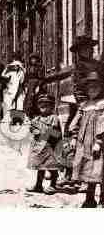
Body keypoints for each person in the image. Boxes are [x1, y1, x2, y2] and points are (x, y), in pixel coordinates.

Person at [68, 71, 104, 208]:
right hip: (84, 143)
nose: (92, 90)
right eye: (90, 88)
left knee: (99, 169)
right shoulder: (84, 106)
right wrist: (74, 138)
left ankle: (102, 198)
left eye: (96, 87)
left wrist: (99, 142)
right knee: (87, 170)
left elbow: (102, 124)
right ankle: (89, 198)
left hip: (97, 143)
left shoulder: (102, 105)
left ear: (100, 88)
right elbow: (76, 123)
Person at [26, 93, 62, 195]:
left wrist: (41, 132)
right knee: (40, 166)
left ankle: (53, 185)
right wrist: (33, 129)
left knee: (51, 166)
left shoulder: (53, 118)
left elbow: (55, 133)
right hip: (39, 147)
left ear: (51, 106)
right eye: (41, 104)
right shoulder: (37, 118)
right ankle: (38, 185)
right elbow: (32, 128)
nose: (43, 106)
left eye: (46, 105)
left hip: (51, 146)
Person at [2, 52, 26, 125]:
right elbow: (3, 75)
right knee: (12, 105)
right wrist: (7, 68)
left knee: (19, 104)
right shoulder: (11, 72)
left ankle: (19, 120)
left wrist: (22, 69)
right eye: (15, 65)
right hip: (12, 90)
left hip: (19, 90)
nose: (16, 67)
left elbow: (22, 80)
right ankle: (13, 119)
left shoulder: (21, 72)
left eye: (17, 66)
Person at [23, 53, 45, 121]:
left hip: (36, 85)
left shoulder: (40, 67)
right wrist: (26, 86)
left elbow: (41, 78)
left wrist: (38, 86)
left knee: (35, 99)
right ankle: (29, 115)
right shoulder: (29, 68)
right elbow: (26, 78)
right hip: (29, 86)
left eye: (34, 59)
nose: (33, 60)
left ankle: (36, 115)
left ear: (37, 59)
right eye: (32, 59)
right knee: (28, 100)